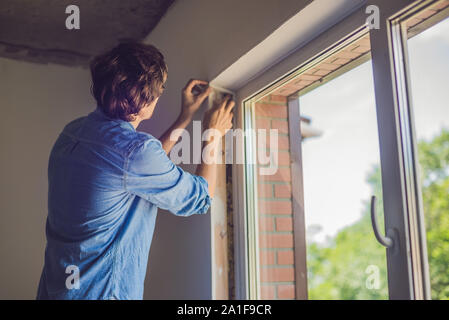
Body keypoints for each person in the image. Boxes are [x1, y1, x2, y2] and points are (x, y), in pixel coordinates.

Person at [36, 41, 234, 300]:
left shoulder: (73, 132)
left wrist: (184, 118)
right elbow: (200, 197)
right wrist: (213, 134)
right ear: (144, 99)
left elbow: (133, 172)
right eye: (161, 87)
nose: (161, 92)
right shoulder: (134, 154)